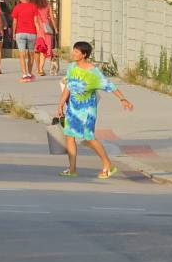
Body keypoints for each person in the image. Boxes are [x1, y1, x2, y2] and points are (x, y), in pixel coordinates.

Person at [56, 41, 133, 178]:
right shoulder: (71, 67)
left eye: (76, 52)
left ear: (84, 54)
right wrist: (61, 103)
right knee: (69, 137)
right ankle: (72, 169)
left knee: (89, 138)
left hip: (87, 111)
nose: (73, 53)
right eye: (73, 50)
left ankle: (108, 165)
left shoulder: (93, 72)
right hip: (73, 109)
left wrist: (123, 99)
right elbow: (68, 86)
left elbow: (109, 86)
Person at [10, 0, 40, 82]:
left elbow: (14, 22)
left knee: (22, 55)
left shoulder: (17, 7)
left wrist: (14, 33)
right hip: (32, 33)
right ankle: (30, 74)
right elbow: (36, 21)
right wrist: (39, 33)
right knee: (31, 54)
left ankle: (24, 75)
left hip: (20, 33)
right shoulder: (34, 7)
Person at [30, 0, 58, 77]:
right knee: (44, 49)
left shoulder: (32, 5)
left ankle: (37, 67)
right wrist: (55, 28)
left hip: (35, 28)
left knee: (36, 49)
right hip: (46, 29)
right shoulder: (47, 4)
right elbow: (52, 18)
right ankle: (41, 69)